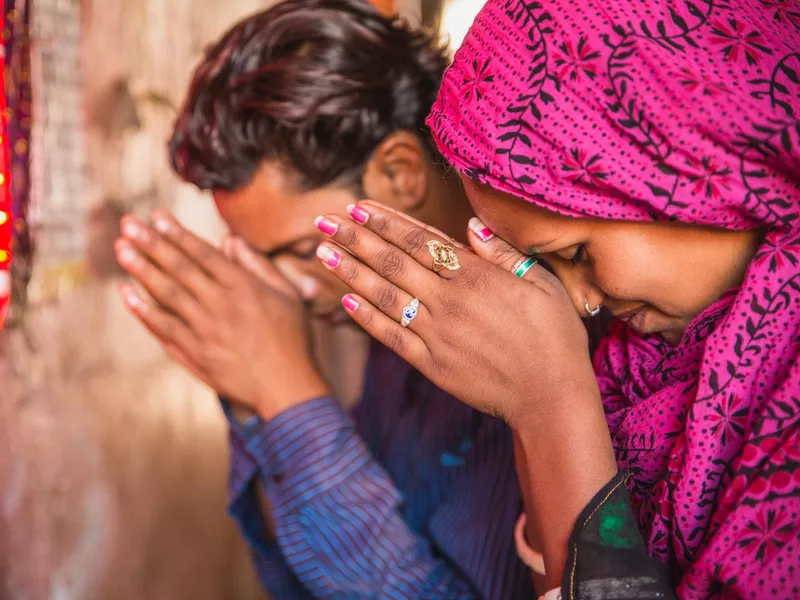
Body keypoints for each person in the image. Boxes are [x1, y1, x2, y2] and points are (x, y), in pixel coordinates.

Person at [308, 0, 800, 597]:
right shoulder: (634, 368)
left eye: (579, 253)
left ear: (703, 164)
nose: (582, 302)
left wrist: (550, 409)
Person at [114, 1, 535, 598]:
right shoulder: (394, 335)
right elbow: (303, 580)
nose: (291, 289)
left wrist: (288, 394)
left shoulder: (541, 342)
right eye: (263, 259)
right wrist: (257, 399)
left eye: (301, 247)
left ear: (399, 174)